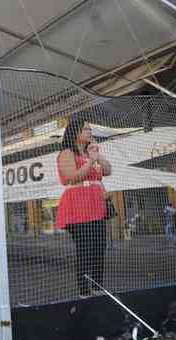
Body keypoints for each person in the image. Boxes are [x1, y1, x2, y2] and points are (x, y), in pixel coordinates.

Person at [56, 117, 112, 296]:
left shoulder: (90, 153)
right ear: (76, 133)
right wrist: (89, 162)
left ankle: (96, 286)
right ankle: (84, 290)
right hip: (77, 206)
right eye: (86, 129)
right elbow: (72, 176)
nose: (90, 132)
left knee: (99, 246)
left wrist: (96, 154)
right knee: (85, 248)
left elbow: (108, 170)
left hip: (96, 205)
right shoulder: (66, 153)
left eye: (90, 129)